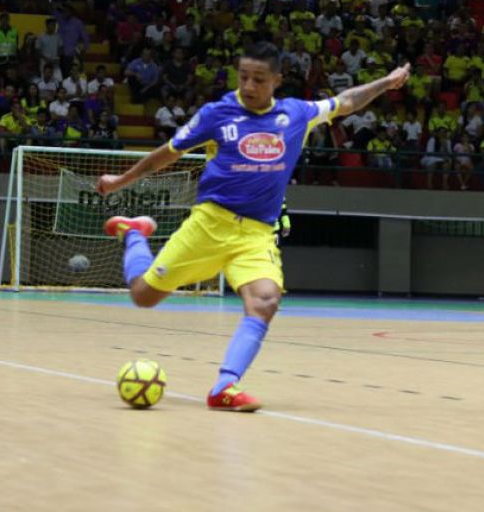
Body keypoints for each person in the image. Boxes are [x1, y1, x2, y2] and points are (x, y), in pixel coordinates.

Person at [96, 42, 409, 412]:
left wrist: (385, 83)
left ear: (276, 81)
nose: (248, 86)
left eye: (258, 79)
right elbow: (168, 152)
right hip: (209, 225)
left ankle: (224, 387)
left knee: (265, 301)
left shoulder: (297, 113)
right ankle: (134, 233)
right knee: (143, 296)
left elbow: (346, 101)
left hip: (257, 233)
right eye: (243, 77)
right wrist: (121, 181)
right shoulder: (217, 114)